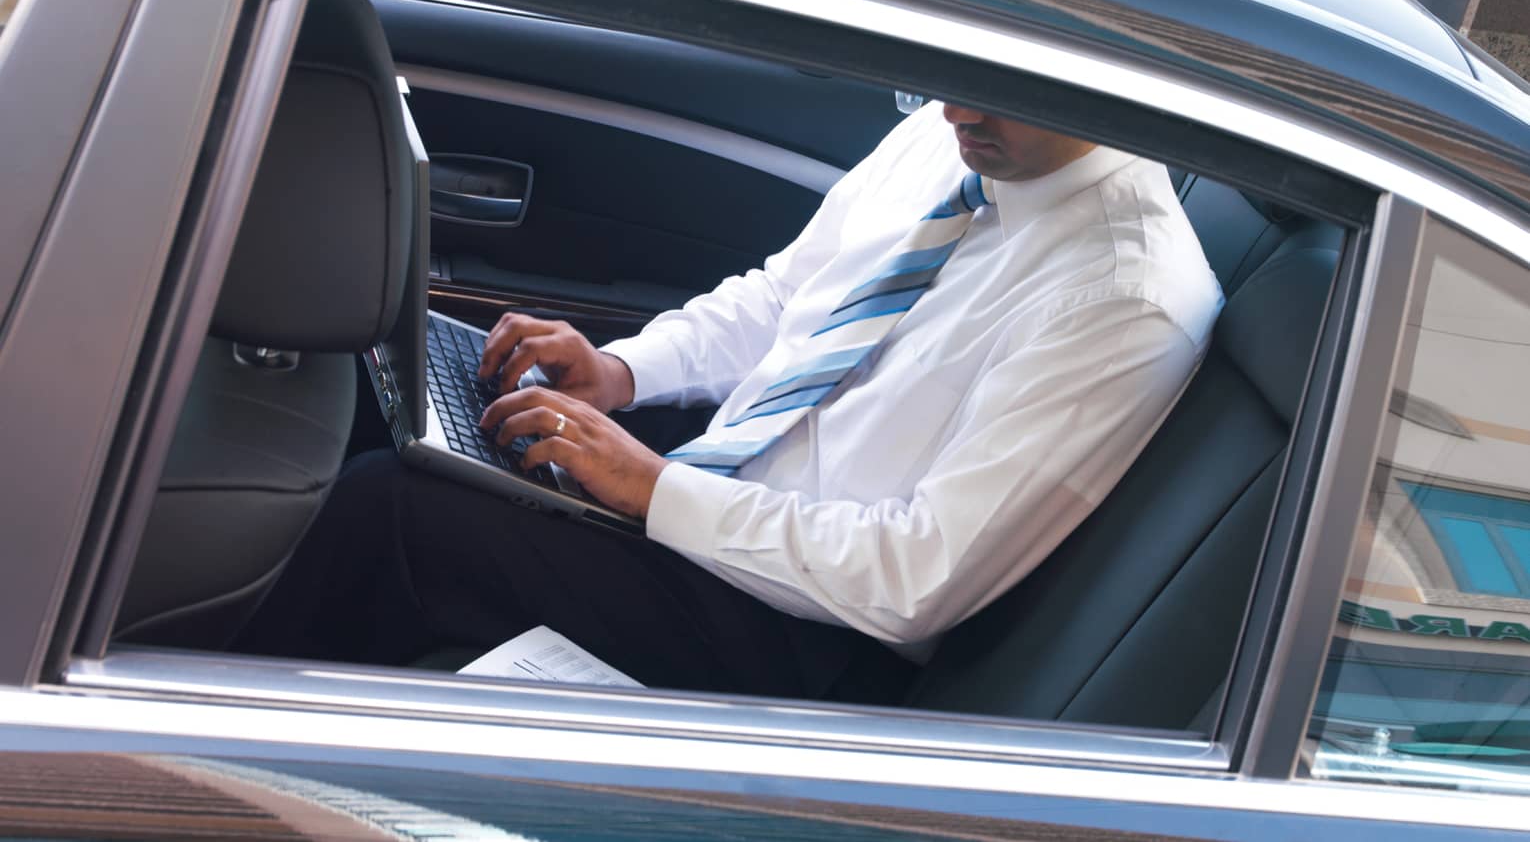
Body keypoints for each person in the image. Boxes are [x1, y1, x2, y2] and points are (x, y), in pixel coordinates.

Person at [235, 101, 1223, 702]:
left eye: (1009, 82)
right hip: (726, 509)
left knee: (399, 509)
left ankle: (172, 763)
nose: (960, 103)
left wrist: (650, 487)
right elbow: (788, 296)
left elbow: (912, 578)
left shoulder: (1127, 300)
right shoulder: (955, 137)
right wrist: (625, 374)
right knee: (397, 392)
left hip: (810, 639)